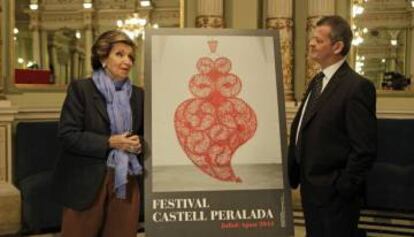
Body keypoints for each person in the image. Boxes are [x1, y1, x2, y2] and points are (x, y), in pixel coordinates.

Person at [287, 15, 377, 237]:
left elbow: (364, 148)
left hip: (335, 196)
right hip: (312, 190)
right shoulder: (317, 82)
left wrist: (343, 186)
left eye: (318, 40)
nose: (311, 43)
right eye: (312, 39)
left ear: (337, 46)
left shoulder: (357, 87)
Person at [52, 30, 144, 237]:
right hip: (86, 180)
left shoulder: (138, 94)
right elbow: (67, 135)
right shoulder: (81, 89)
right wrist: (110, 142)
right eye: (119, 54)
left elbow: (145, 136)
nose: (127, 61)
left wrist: (139, 143)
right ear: (103, 57)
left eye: (130, 57)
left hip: (126, 179)